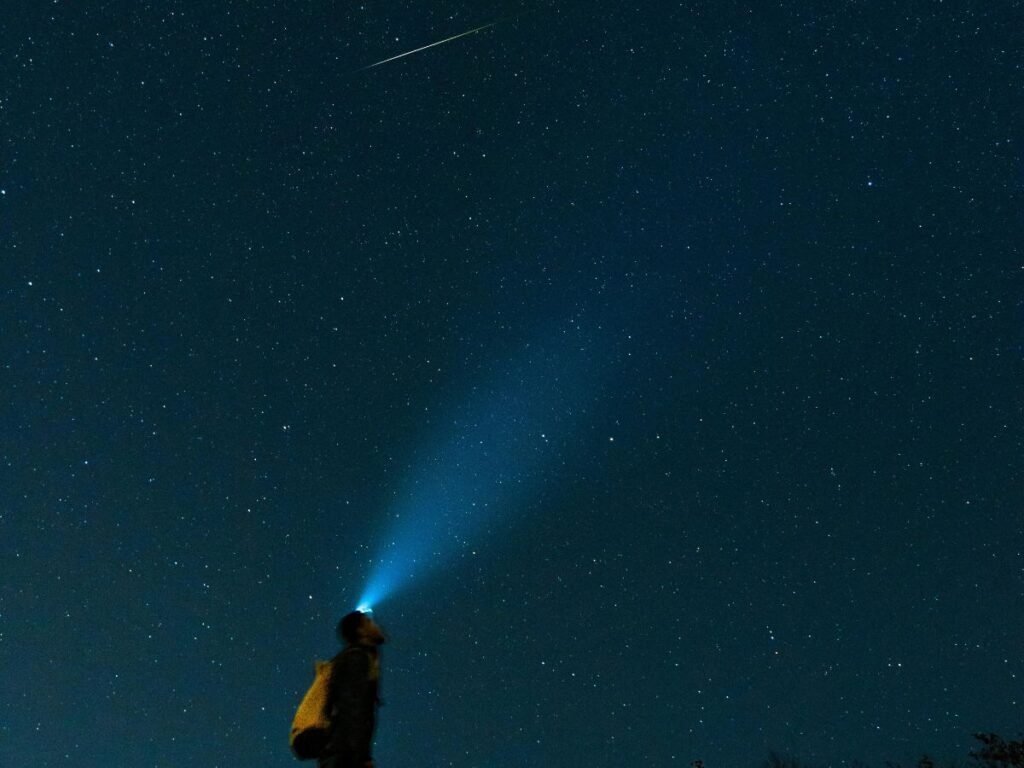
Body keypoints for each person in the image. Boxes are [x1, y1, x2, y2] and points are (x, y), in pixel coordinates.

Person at [318, 610, 386, 768]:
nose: (377, 626)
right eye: (370, 622)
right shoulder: (357, 658)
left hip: (339, 754)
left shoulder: (352, 658)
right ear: (361, 631)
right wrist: (363, 757)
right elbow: (353, 707)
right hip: (345, 756)